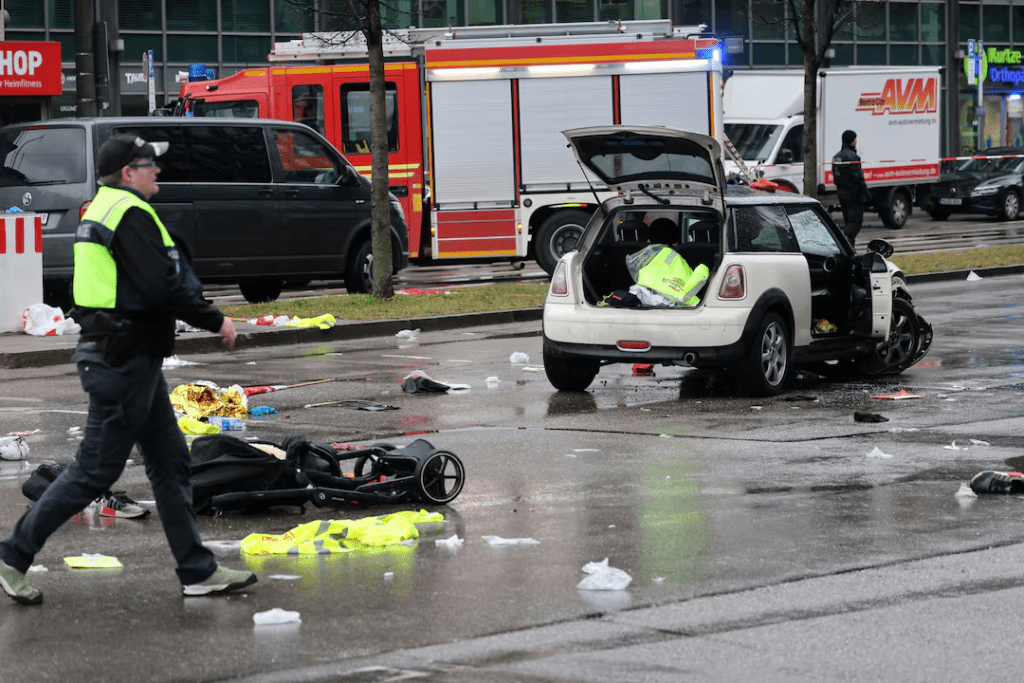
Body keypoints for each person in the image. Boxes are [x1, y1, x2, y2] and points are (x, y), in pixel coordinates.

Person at [0, 135, 256, 605]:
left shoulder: (102, 206)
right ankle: (12, 555)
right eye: (148, 164)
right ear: (127, 172)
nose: (156, 170)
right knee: (94, 471)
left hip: (126, 356)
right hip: (123, 360)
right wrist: (214, 318)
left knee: (170, 462)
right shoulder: (130, 213)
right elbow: (160, 286)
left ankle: (197, 571)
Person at [832, 129, 871, 248]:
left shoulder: (836, 157)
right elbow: (858, 178)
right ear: (852, 141)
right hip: (854, 194)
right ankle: (841, 241)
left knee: (848, 221)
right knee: (854, 223)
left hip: (842, 193)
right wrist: (867, 195)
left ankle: (850, 249)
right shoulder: (853, 157)